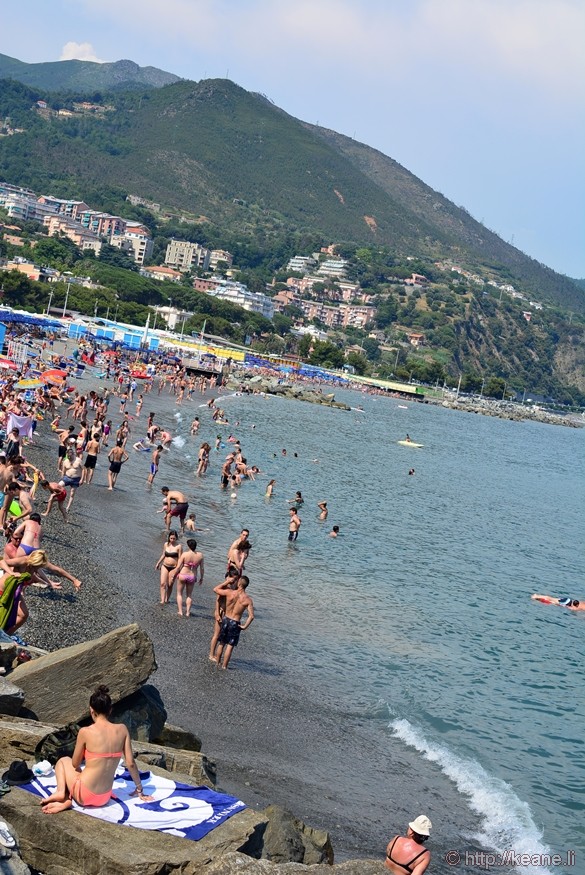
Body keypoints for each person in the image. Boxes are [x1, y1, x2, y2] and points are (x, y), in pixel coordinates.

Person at [40, 685, 153, 814]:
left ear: (91, 710)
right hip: (104, 798)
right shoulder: (122, 729)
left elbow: (75, 764)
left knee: (63, 761)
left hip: (84, 795)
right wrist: (139, 789)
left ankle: (61, 793)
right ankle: (67, 799)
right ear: (110, 710)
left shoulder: (85, 732)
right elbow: (131, 763)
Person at [211, 575, 254, 669]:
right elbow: (251, 616)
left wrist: (226, 582)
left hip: (226, 619)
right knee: (230, 645)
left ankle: (217, 663)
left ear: (239, 583)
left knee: (222, 643)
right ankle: (224, 666)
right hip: (235, 622)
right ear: (246, 586)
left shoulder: (229, 592)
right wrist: (244, 626)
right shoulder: (248, 600)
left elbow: (215, 589)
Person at [208, 568, 240, 661]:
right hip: (221, 612)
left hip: (229, 614)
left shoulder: (235, 588)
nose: (234, 581)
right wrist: (217, 613)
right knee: (216, 634)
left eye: (236, 579)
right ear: (229, 577)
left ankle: (218, 655)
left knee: (224, 636)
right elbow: (218, 600)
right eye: (233, 578)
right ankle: (211, 654)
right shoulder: (224, 587)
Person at [169, 539, 204, 617]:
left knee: (179, 594)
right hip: (192, 576)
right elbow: (202, 568)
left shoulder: (185, 554)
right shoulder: (200, 555)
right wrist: (201, 578)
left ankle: (180, 611)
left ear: (188, 546)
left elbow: (178, 567)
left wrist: (173, 576)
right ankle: (188, 612)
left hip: (183, 574)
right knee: (189, 595)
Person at [154, 531, 182, 604]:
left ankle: (167, 599)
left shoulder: (179, 546)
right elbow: (163, 554)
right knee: (163, 583)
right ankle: (162, 600)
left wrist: (178, 569)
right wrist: (158, 563)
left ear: (176, 538)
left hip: (174, 567)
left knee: (170, 584)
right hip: (165, 565)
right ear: (169, 538)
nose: (172, 540)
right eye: (171, 538)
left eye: (174, 539)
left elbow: (180, 559)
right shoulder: (166, 544)